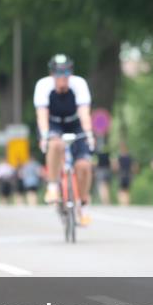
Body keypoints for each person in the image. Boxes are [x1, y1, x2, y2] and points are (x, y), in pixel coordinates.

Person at [35, 54, 95, 226]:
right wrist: (45, 135)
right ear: (52, 74)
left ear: (71, 73)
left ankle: (83, 204)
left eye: (66, 72)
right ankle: (53, 186)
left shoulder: (79, 84)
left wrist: (89, 133)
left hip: (75, 124)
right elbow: (42, 115)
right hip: (53, 124)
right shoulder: (43, 85)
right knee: (55, 144)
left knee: (84, 166)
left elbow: (84, 113)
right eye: (58, 73)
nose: (63, 77)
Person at [115, 141, 136, 206]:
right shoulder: (130, 157)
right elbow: (133, 167)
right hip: (128, 174)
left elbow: (117, 167)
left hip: (122, 174)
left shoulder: (119, 157)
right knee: (126, 190)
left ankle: (122, 203)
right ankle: (126, 203)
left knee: (121, 190)